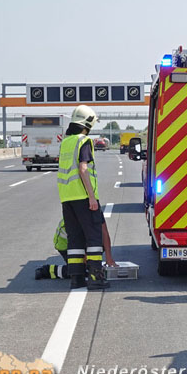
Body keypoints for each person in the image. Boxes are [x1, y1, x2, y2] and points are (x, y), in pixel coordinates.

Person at [57, 105, 108, 290]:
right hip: (83, 196)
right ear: (87, 123)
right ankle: (96, 278)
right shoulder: (84, 141)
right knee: (94, 237)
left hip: (66, 198)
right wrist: (92, 198)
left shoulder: (66, 142)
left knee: (75, 239)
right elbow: (83, 168)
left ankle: (76, 279)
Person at [35, 218, 117, 280]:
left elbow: (104, 233)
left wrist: (109, 259)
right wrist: (89, 267)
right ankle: (46, 270)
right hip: (65, 245)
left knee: (98, 244)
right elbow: (80, 245)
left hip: (78, 241)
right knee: (78, 272)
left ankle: (86, 267)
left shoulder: (96, 211)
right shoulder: (77, 217)